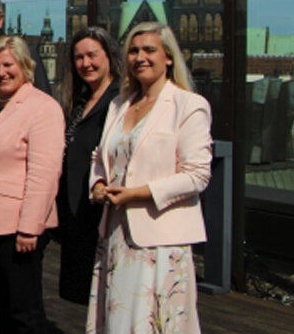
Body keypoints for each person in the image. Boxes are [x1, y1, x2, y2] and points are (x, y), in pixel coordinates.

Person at [87, 22, 212, 333]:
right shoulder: (120, 104)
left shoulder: (189, 105)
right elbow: (100, 156)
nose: (140, 57)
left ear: (168, 57)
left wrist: (138, 193)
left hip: (161, 240)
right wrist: (98, 184)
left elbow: (197, 175)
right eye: (133, 50)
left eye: (149, 50)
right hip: (116, 234)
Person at [0, 35, 64, 333]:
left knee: (23, 312)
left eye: (8, 64)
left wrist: (29, 227)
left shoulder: (42, 107)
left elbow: (44, 173)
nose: (0, 72)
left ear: (24, 65)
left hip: (16, 228)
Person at [56, 27, 121, 305]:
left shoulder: (121, 99)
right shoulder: (80, 100)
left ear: (109, 56)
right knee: (83, 298)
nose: (86, 63)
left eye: (92, 55)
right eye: (79, 57)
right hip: (75, 212)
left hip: (102, 211)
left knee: (108, 296)